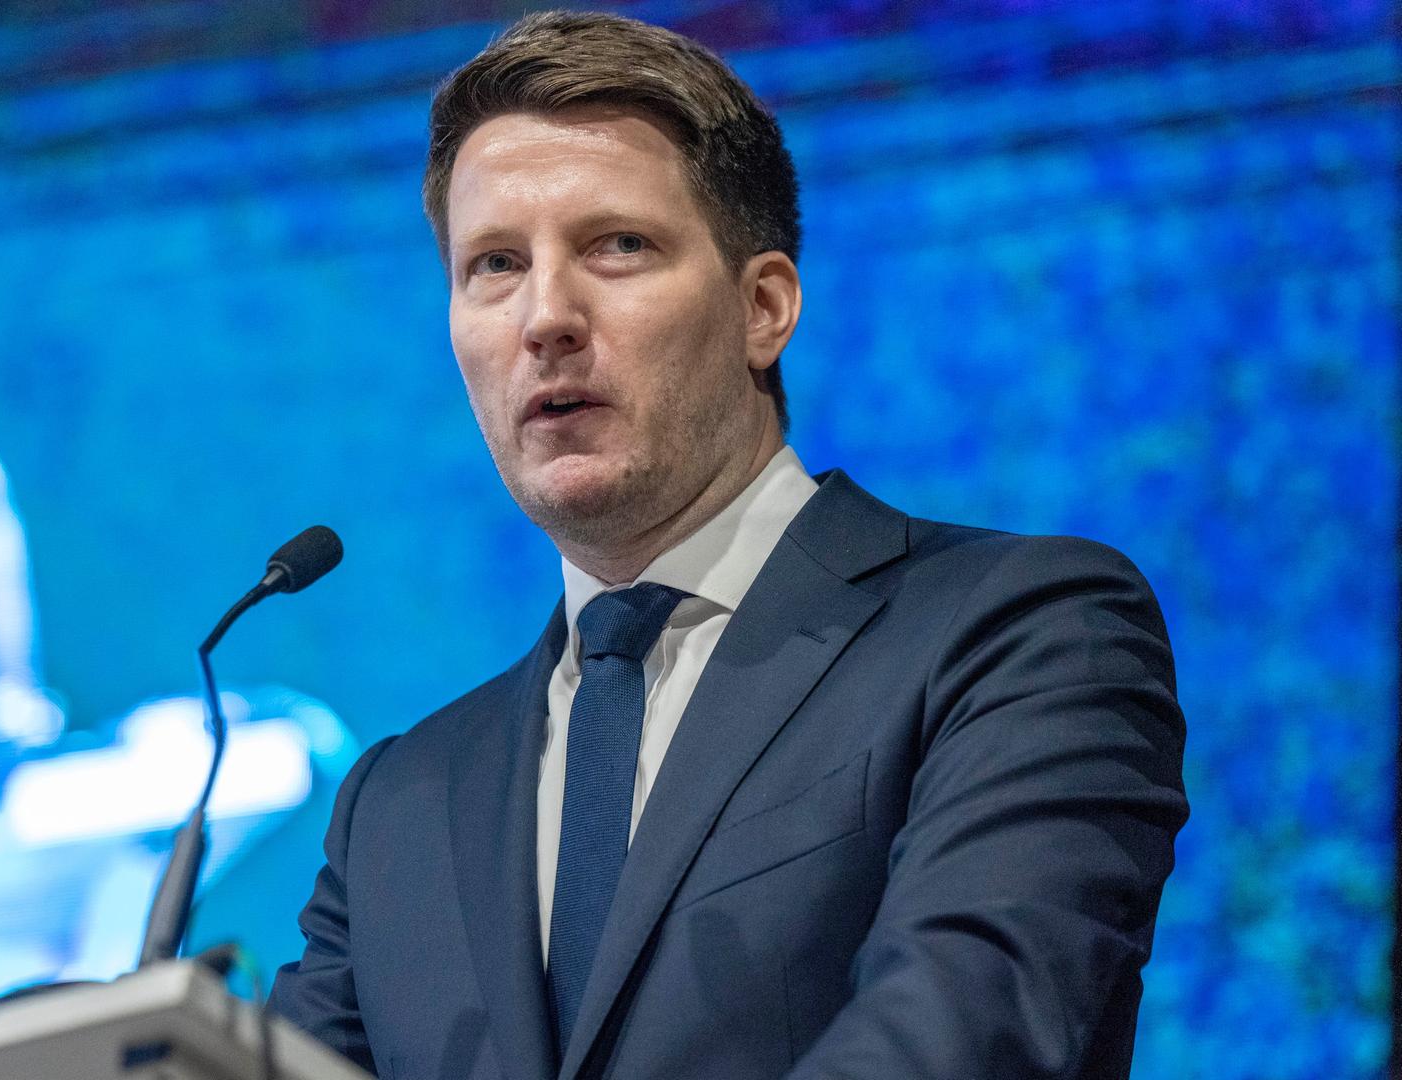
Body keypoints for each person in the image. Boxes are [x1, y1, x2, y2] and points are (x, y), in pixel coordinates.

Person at [270, 11, 1188, 1079]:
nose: (545, 316)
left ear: (764, 308)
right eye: (495, 264)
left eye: (617, 246)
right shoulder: (398, 806)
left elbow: (958, 1039)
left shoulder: (1021, 634)